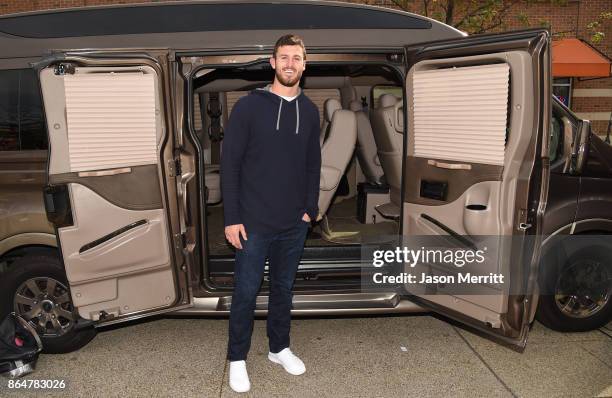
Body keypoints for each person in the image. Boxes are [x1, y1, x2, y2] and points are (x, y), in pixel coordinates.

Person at [220, 34, 321, 393]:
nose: (290, 63)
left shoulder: (310, 111)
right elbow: (229, 165)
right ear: (273, 63)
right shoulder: (249, 107)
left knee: (283, 289)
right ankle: (237, 359)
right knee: (246, 293)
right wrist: (231, 218)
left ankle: (279, 348)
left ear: (304, 65)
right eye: (283, 57)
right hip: (252, 224)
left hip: (293, 224)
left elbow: (313, 165)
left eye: (296, 57)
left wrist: (310, 210)